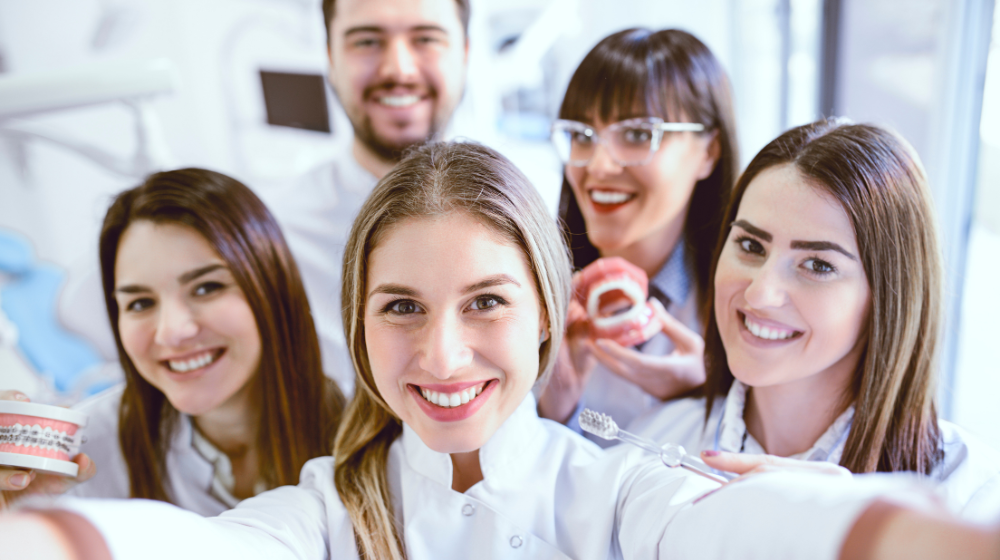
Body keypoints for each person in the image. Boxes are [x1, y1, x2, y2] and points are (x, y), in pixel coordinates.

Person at [5, 142, 1000, 560]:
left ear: (543, 316)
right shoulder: (323, 512)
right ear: (355, 322)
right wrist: (50, 539)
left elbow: (738, 518)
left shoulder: (612, 485)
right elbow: (205, 547)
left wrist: (923, 539)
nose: (441, 354)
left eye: (484, 301)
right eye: (399, 306)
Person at [627, 118, 1000, 522]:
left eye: (818, 265)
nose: (759, 293)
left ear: (888, 297)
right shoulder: (649, 450)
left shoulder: (966, 499)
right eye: (750, 245)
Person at [0, 169, 344, 515]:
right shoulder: (83, 457)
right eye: (140, 303)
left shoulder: (372, 434)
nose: (171, 332)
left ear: (272, 286)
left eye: (206, 287)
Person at [260, 0, 470, 394]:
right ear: (331, 58)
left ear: (465, 52)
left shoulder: (531, 215)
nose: (399, 70)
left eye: (425, 38)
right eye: (367, 41)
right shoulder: (273, 234)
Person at [538, 28, 739, 437]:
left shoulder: (748, 304)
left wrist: (708, 395)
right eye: (581, 135)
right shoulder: (535, 296)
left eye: (637, 135)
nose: (599, 166)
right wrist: (552, 410)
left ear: (709, 151)